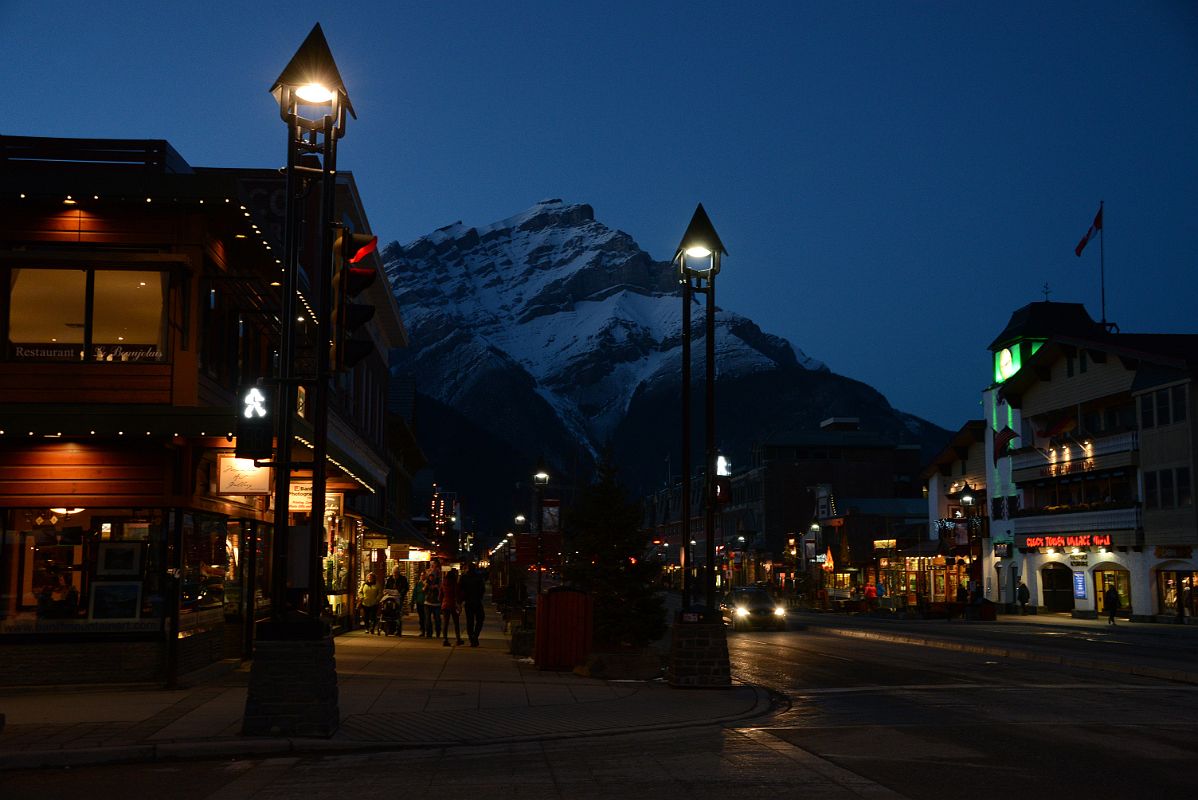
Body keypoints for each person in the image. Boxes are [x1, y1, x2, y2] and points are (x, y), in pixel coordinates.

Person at [460, 560, 487, 646]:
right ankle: (475, 635)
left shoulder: (464, 577)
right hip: (477, 601)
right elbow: (482, 589)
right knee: (480, 619)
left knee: (470, 621)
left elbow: (460, 589)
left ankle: (471, 637)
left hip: (468, 601)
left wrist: (461, 600)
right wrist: (480, 596)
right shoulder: (478, 577)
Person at [441, 567, 464, 646]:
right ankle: (458, 639)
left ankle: (445, 639)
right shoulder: (454, 584)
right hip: (453, 604)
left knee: (445, 623)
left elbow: (440, 595)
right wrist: (459, 604)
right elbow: (458, 594)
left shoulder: (443, 583)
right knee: (456, 623)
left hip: (445, 604)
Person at [423, 565, 443, 639]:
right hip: (427, 602)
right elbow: (423, 591)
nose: (431, 578)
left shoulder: (439, 583)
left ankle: (438, 632)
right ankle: (429, 633)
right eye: (430, 576)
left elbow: (441, 591)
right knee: (428, 619)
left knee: (437, 619)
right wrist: (426, 586)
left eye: (432, 576)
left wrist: (437, 587)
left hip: (436, 603)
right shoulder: (427, 582)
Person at [411, 569, 427, 636]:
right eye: (421, 575)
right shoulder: (418, 583)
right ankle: (422, 630)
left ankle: (426, 630)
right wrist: (413, 601)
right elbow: (415, 592)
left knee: (425, 617)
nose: (422, 576)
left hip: (425, 602)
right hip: (419, 602)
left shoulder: (427, 583)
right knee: (421, 617)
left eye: (423, 575)